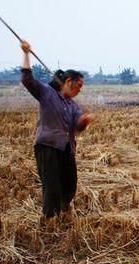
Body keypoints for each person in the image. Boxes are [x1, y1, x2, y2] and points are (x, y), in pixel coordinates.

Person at [20, 40, 94, 220]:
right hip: (48, 146)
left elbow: (78, 126)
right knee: (51, 185)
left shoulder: (73, 105)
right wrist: (26, 54)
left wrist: (84, 121)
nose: (79, 90)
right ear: (69, 81)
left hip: (66, 149)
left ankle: (63, 211)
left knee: (70, 184)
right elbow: (27, 80)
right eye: (79, 86)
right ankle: (49, 220)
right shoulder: (46, 93)